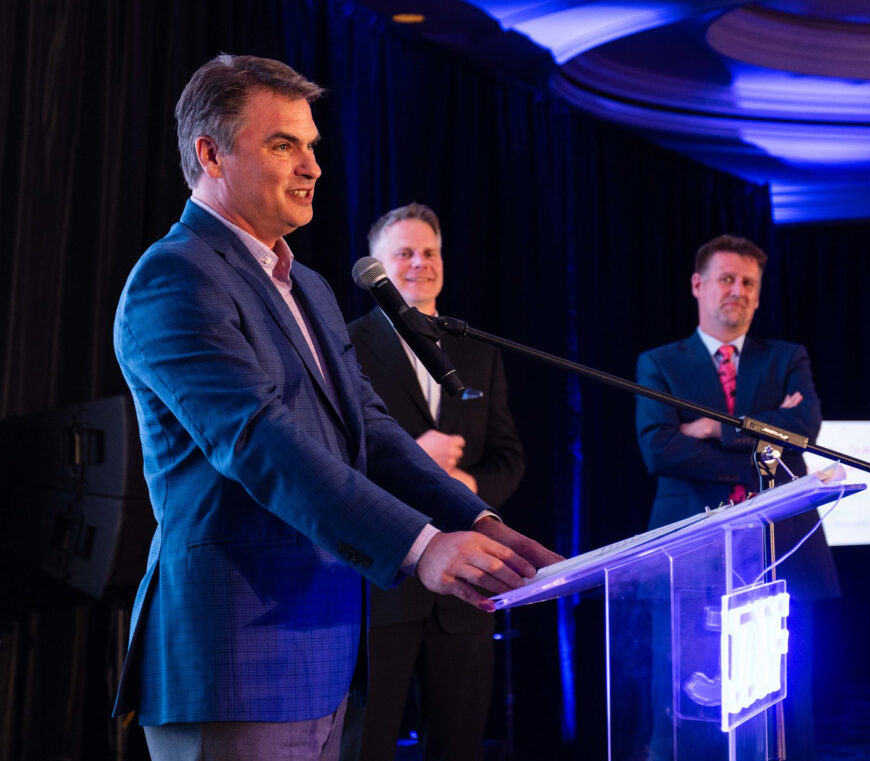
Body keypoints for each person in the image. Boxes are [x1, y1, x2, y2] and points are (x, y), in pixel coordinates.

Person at [111, 54, 559, 761]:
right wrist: (422, 545)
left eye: (312, 145)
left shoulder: (310, 286)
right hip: (236, 656)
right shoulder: (174, 278)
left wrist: (473, 518)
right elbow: (260, 440)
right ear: (211, 154)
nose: (312, 166)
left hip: (326, 656)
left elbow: (371, 429)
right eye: (283, 144)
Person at [635, 234, 839, 760]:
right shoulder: (659, 363)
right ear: (698, 285)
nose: (738, 291)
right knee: (682, 693)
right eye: (727, 278)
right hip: (688, 549)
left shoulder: (788, 357)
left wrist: (711, 430)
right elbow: (660, 450)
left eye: (749, 282)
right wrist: (763, 439)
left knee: (785, 698)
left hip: (783, 544)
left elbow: (803, 429)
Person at [340, 203, 525, 761]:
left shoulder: (479, 349)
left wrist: (466, 485)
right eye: (405, 253)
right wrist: (414, 458)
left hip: (467, 589)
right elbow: (332, 459)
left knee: (461, 746)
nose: (420, 263)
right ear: (377, 264)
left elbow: (509, 458)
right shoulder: (345, 344)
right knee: (365, 746)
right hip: (383, 585)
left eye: (430, 252)